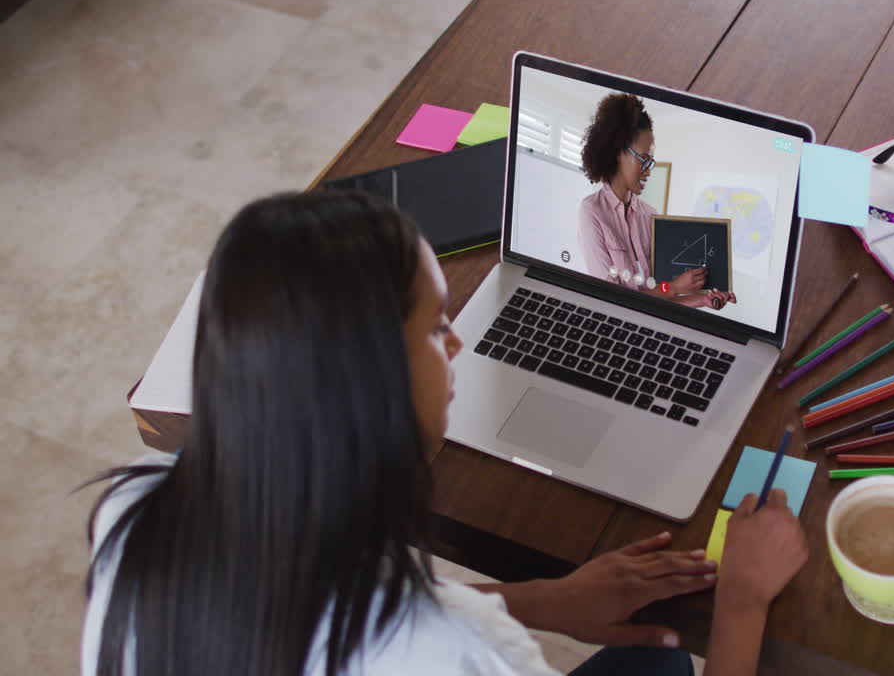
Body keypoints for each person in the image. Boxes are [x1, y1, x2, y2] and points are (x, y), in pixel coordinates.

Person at [82, 190, 807, 676]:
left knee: (650, 659)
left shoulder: (136, 512)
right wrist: (742, 599)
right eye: (434, 326)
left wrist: (546, 601)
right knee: (668, 658)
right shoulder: (453, 656)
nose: (458, 341)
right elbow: (424, 637)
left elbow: (330, 612)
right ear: (371, 386)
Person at [576, 93, 737, 310]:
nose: (648, 171)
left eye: (650, 163)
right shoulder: (592, 212)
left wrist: (702, 299)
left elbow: (657, 295)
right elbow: (614, 300)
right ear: (617, 152)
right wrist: (674, 286)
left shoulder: (649, 214)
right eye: (643, 160)